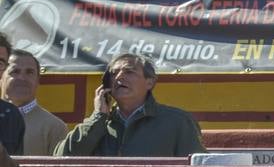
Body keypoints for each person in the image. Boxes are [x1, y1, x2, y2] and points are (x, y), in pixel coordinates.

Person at [55, 53, 204, 157]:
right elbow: (62, 159)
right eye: (114, 73)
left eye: (129, 72)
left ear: (150, 82)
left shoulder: (177, 121)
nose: (119, 77)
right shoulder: (99, 123)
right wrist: (97, 117)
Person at [3, 49, 68, 156]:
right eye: (15, 72)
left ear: (38, 79)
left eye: (29, 72)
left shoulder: (54, 127)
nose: (22, 78)